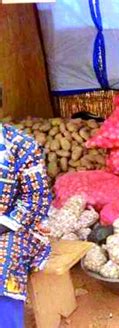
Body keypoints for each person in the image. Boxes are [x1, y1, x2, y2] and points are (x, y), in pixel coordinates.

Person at [0, 123, 52, 327]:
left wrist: (4, 224)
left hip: (18, 227)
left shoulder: (21, 146)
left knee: (2, 259)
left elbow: (36, 198)